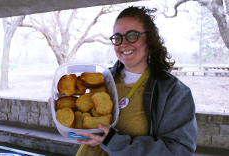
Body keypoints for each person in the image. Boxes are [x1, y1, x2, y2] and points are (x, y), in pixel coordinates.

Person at [75, 6, 197, 156]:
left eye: (132, 35)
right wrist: (64, 109)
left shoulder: (172, 92)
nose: (123, 43)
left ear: (150, 38)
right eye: (118, 37)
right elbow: (86, 121)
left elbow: (179, 151)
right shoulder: (104, 80)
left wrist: (113, 141)